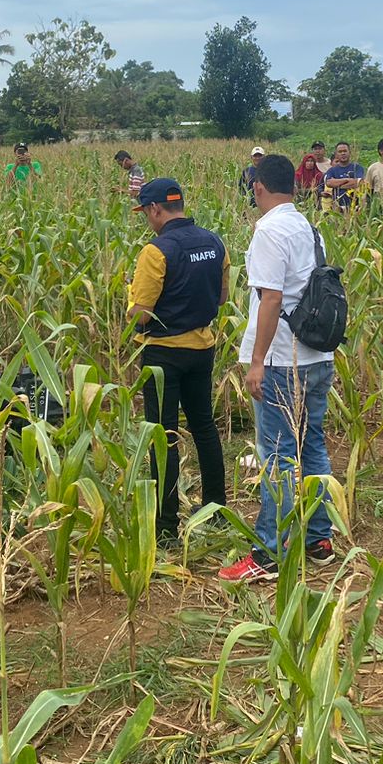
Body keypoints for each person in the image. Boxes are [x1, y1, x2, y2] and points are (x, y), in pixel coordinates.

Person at [219, 154, 338, 582]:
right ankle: (318, 539)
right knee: (313, 449)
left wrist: (256, 362)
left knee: (277, 459)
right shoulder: (308, 225)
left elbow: (271, 300)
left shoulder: (269, 230)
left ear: (257, 187)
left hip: (282, 361)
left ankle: (269, 552)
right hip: (317, 357)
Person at [127, 177, 231, 542]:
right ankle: (216, 508)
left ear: (155, 209)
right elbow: (221, 299)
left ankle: (166, 526)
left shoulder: (156, 252)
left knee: (163, 435)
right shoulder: (214, 242)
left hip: (162, 357)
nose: (147, 220)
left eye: (146, 213)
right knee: (204, 427)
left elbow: (141, 315)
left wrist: (130, 294)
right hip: (202, 348)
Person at [322, 142, 367, 213]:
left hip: (355, 207)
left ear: (350, 152)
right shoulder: (332, 170)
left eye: (345, 151)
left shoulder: (357, 168)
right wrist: (347, 180)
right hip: (337, 208)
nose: (343, 153)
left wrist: (337, 185)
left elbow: (358, 182)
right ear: (336, 154)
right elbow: (329, 183)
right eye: (340, 152)